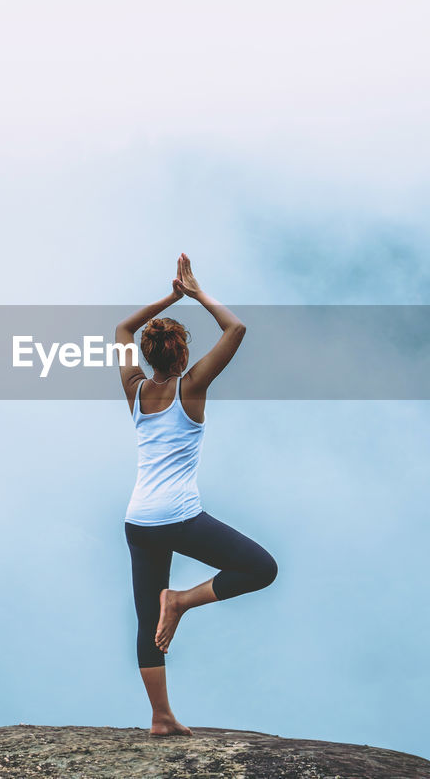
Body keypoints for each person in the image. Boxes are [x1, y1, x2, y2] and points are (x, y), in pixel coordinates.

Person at [114, 253, 278, 737]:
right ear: (184, 356)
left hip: (139, 520)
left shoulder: (135, 389)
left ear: (149, 357)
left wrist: (170, 297)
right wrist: (197, 293)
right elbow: (236, 330)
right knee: (261, 568)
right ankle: (183, 601)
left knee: (147, 618)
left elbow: (123, 330)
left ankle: (160, 717)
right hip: (180, 518)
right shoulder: (194, 388)